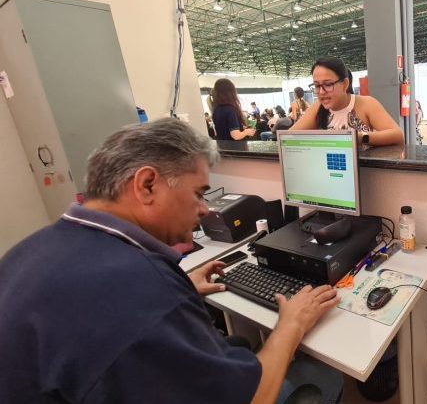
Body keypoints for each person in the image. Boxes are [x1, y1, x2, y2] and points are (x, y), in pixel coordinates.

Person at [0, 118, 343, 403]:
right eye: (198, 193)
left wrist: (181, 291)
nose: (205, 209)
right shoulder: (146, 289)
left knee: (237, 344)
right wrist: (291, 325)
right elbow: (251, 398)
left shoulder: (27, 252)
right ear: (147, 185)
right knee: (322, 382)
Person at [292, 57, 404, 146]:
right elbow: (289, 137)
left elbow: (397, 135)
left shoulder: (366, 104)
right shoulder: (317, 108)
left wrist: (360, 137)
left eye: (328, 84)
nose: (321, 92)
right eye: (317, 86)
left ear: (345, 84)